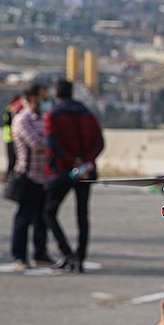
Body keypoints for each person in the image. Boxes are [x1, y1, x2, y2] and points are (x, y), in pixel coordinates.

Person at [43, 79, 105, 274]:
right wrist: (85, 161)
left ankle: (66, 252)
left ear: (57, 94)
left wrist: (73, 162)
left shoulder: (54, 115)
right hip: (86, 171)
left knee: (49, 212)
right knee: (82, 215)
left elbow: (53, 145)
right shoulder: (88, 114)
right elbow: (100, 143)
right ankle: (80, 256)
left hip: (64, 171)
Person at [10, 83, 54, 271]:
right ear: (33, 98)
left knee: (42, 218)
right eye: (44, 98)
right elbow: (37, 144)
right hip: (28, 175)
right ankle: (19, 256)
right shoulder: (22, 119)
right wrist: (54, 145)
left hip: (44, 176)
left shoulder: (42, 118)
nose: (47, 102)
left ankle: (40, 253)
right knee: (24, 217)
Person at [3, 94, 25, 179]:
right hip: (11, 138)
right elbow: (8, 122)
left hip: (14, 138)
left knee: (15, 160)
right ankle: (9, 178)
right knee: (12, 160)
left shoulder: (13, 108)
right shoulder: (11, 109)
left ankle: (10, 177)